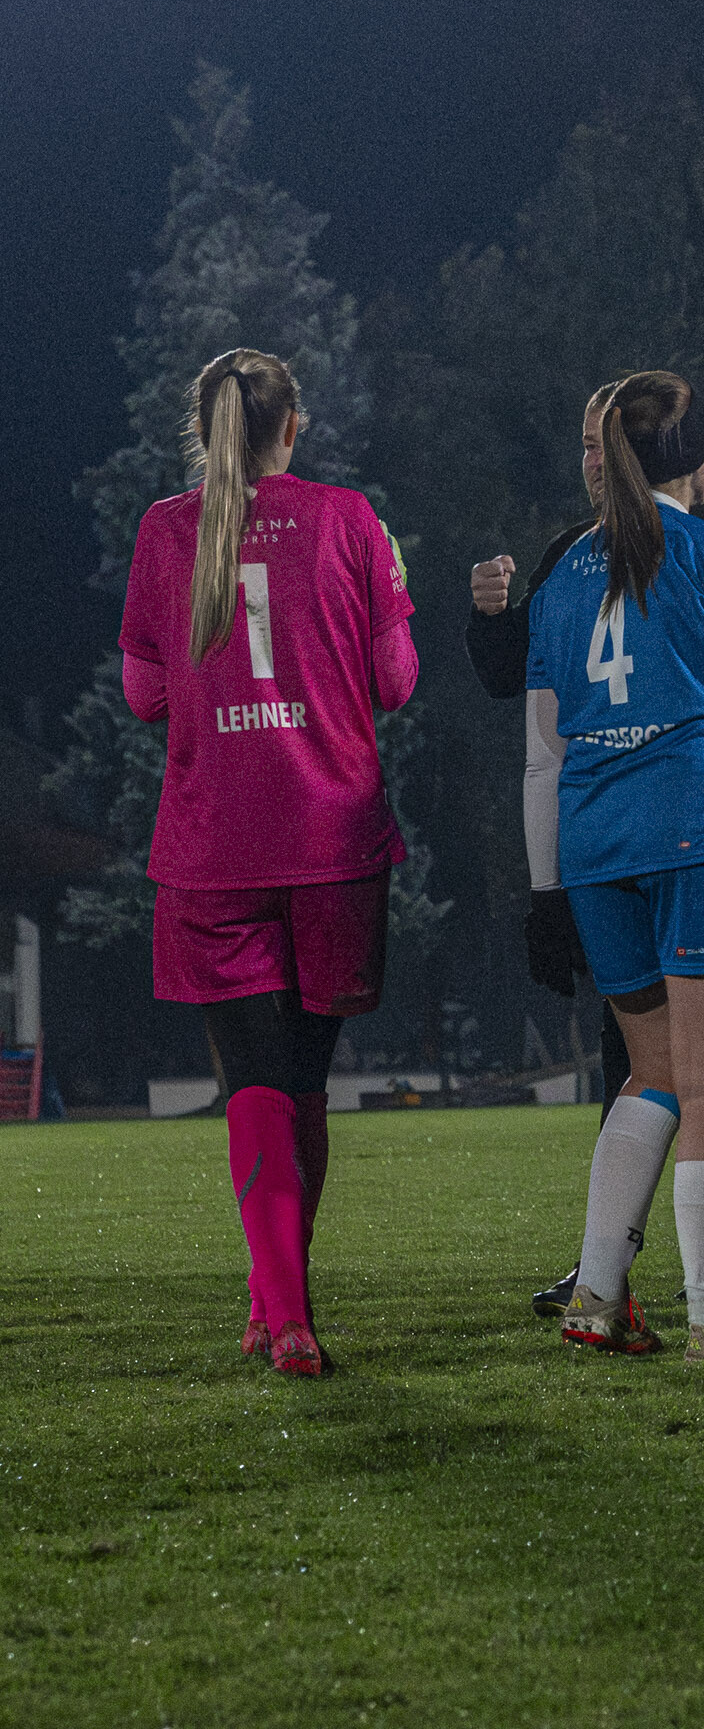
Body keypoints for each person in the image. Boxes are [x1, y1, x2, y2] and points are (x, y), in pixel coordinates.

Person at [466, 385, 704, 1310]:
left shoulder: (564, 573)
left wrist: (545, 892)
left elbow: (541, 759)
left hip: (595, 845)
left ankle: (598, 1296)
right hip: (703, 832)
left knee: (652, 1076)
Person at [120, 348, 418, 1377]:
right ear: (294, 426)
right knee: (302, 1084)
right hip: (333, 842)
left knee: (255, 1085)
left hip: (216, 845)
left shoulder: (166, 529)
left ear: (208, 427)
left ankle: (279, 1310)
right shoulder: (348, 519)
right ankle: (280, 1306)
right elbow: (395, 682)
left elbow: (145, 697)